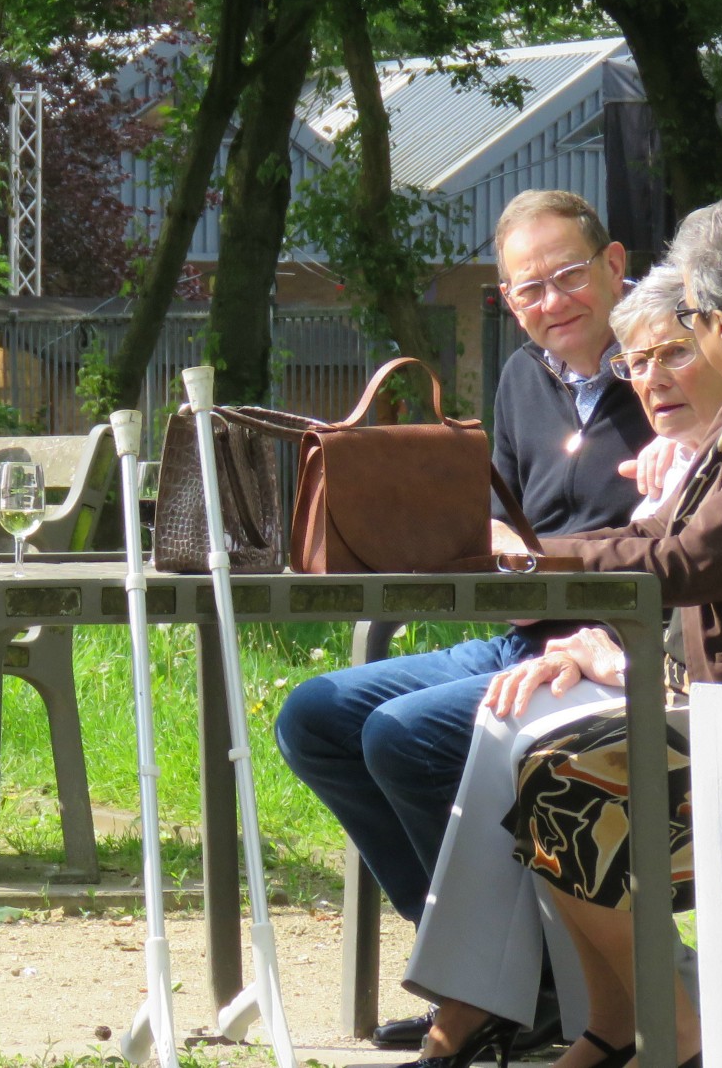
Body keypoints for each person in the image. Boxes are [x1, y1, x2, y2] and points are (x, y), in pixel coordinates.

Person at [273, 190, 653, 1055]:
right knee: (316, 715)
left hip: (605, 653)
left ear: (615, 264)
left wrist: (544, 563)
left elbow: (678, 540)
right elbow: (499, 515)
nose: (552, 302)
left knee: (405, 735)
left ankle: (495, 988)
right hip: (522, 629)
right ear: (508, 302)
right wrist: (487, 540)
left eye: (568, 276)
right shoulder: (524, 378)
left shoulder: (665, 371)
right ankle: (492, 973)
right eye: (528, 290)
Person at [484, 195, 722, 1068]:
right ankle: (621, 1026)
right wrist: (536, 558)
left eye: (684, 330)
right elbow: (657, 541)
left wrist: (538, 562)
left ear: (717, 324)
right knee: (545, 771)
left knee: (562, 781)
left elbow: (687, 563)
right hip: (721, 701)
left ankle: (670, 1037)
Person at [396, 267, 722, 1065]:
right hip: (600, 653)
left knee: (535, 758)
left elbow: (693, 577)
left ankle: (610, 1015)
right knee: (501, 721)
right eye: (638, 361)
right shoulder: (672, 447)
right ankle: (592, 1017)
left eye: (672, 355)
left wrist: (605, 641)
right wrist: (601, 644)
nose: (651, 380)